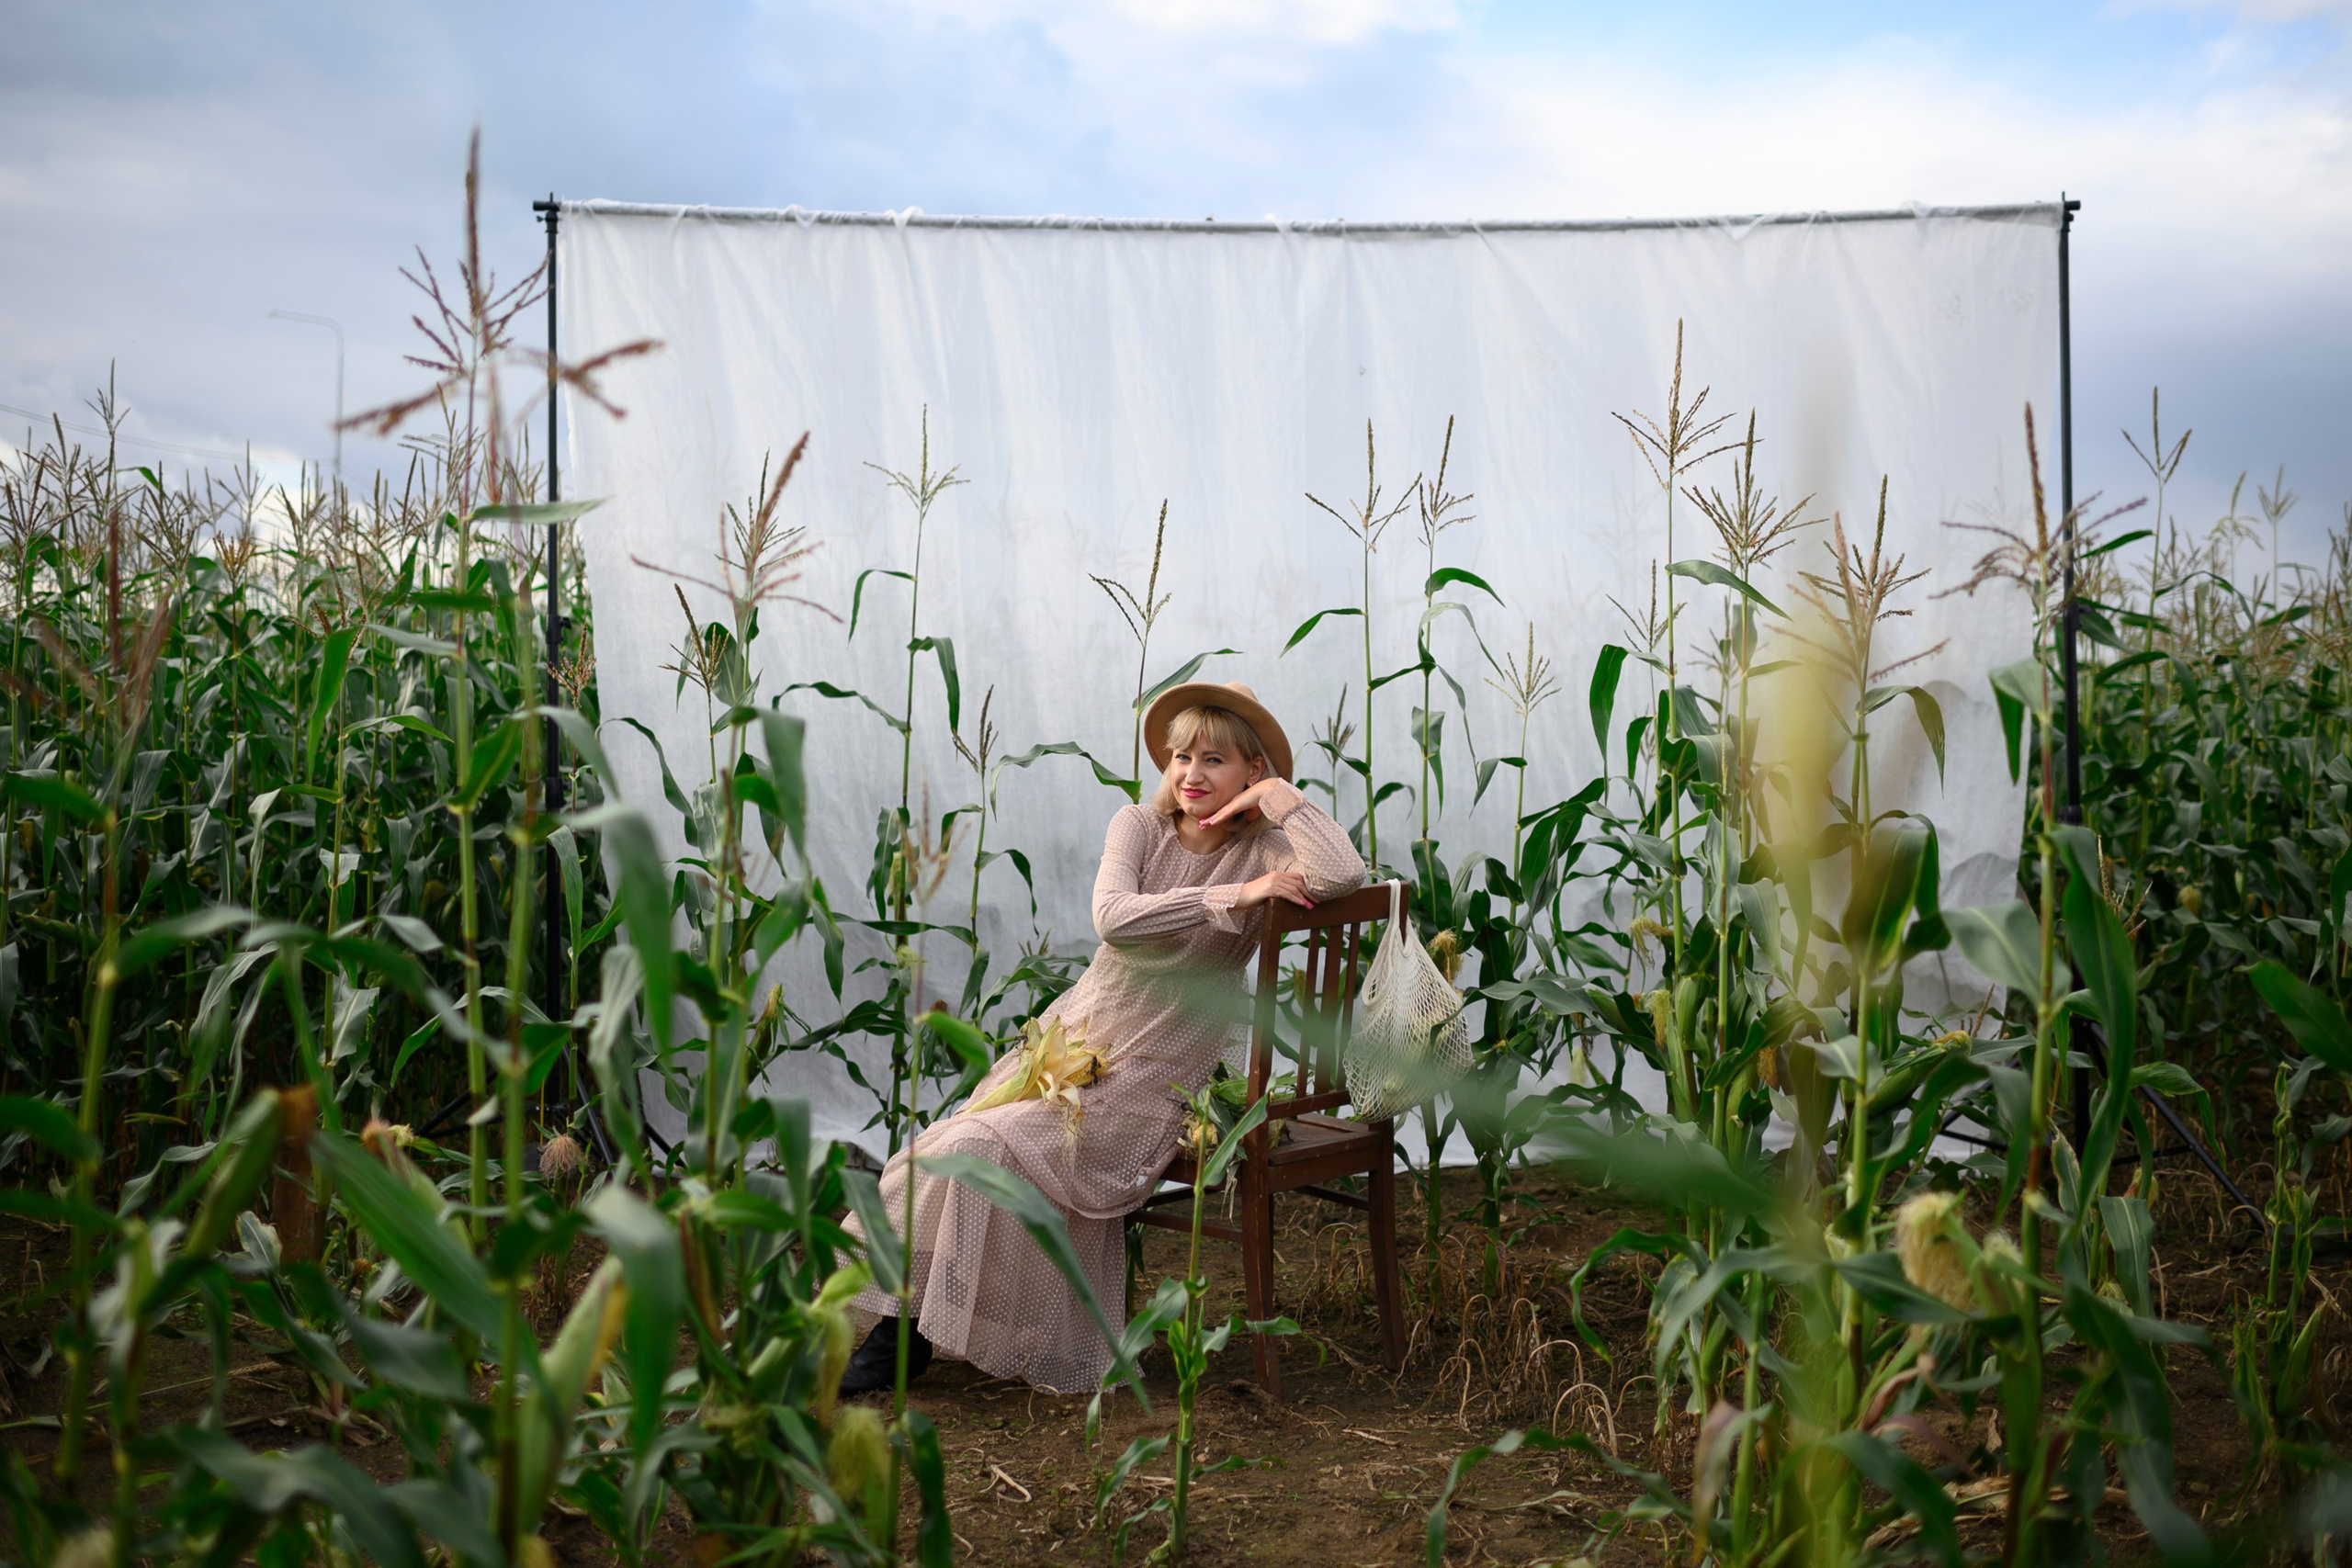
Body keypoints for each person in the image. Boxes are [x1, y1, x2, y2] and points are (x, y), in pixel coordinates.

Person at [840, 681, 1367, 1395]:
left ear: (1253, 768)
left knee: (977, 1147)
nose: (1191, 774)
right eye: (1180, 755)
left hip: (1155, 1076)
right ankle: (909, 1326)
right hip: (1071, 1049)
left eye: (1215, 759)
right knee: (938, 1149)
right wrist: (1235, 896)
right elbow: (1114, 917)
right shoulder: (1139, 828)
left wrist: (1283, 800)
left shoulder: (1266, 848)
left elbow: (1345, 873)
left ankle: (909, 1333)